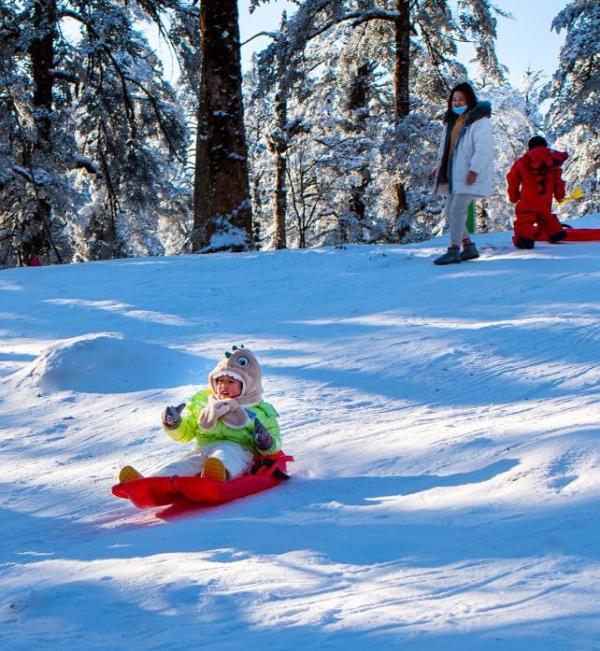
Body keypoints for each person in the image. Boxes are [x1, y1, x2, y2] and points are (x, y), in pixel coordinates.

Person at [118, 346, 281, 483]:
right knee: (183, 464)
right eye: (220, 381)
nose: (224, 386)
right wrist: (174, 423)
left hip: (240, 452)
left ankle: (216, 475)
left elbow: (274, 442)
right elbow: (187, 432)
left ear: (248, 384)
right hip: (204, 449)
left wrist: (266, 442)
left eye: (231, 382)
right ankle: (149, 482)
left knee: (226, 454)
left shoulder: (259, 410)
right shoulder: (204, 403)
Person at [432, 82, 495, 265]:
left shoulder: (479, 121)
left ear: (469, 100)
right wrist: (439, 167)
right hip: (453, 172)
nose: (457, 103)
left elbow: (483, 148)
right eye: (454, 99)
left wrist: (474, 169)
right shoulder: (451, 122)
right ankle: (468, 246)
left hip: (469, 172)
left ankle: (453, 250)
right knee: (451, 213)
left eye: (461, 99)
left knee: (457, 210)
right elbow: (446, 149)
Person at [507, 136, 568, 249]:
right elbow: (558, 182)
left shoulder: (523, 161)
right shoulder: (552, 161)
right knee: (545, 216)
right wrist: (560, 195)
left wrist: (513, 196)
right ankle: (556, 233)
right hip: (545, 198)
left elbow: (512, 180)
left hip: (528, 197)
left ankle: (524, 240)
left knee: (525, 217)